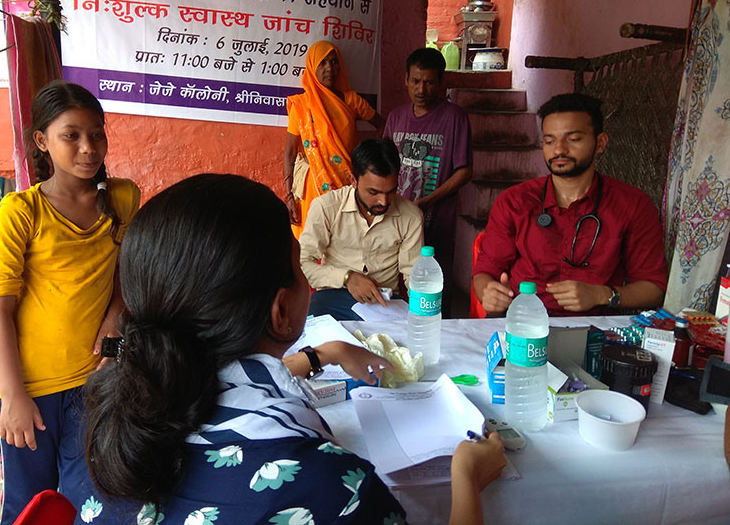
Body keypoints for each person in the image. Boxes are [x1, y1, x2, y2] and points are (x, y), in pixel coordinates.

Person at [68, 173, 505, 525]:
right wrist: (467, 477)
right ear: (280, 312)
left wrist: (325, 353)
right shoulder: (332, 491)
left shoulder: (114, 439)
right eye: (299, 269)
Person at [0, 80, 140, 524]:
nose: (88, 148)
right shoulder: (23, 211)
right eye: (71, 135)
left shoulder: (123, 198)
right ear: (42, 141)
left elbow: (126, 271)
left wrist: (115, 318)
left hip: (93, 381)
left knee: (89, 499)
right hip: (29, 388)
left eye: (97, 134)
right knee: (30, 505)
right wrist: (13, 396)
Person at [473, 93, 668, 316]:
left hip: (595, 325)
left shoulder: (633, 205)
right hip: (522, 321)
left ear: (600, 143)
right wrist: (488, 293)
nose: (559, 150)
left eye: (573, 139)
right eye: (549, 141)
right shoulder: (514, 202)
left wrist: (601, 294)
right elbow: (484, 273)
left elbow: (653, 288)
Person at [383, 47, 473, 317]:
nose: (421, 89)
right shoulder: (396, 117)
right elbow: (383, 162)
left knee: (434, 283)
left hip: (437, 220)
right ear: (406, 80)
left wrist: (426, 202)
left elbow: (464, 171)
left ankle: (438, 330)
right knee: (396, 280)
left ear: (441, 82)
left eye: (430, 82)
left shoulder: (455, 117)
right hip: (396, 217)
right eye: (415, 81)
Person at [300, 138, 424, 321]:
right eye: (373, 192)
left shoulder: (411, 216)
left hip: (385, 302)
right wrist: (346, 277)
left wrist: (422, 311)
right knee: (315, 332)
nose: (383, 201)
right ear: (353, 180)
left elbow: (414, 274)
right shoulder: (326, 208)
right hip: (332, 297)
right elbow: (302, 264)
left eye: (391, 191)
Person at [284, 40, 385, 238]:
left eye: (334, 62)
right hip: (312, 185)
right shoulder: (302, 105)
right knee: (311, 241)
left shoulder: (351, 101)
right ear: (312, 67)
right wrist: (289, 196)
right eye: (322, 63)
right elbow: (290, 152)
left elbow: (383, 125)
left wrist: (367, 155)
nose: (329, 68)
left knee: (343, 238)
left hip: (346, 183)